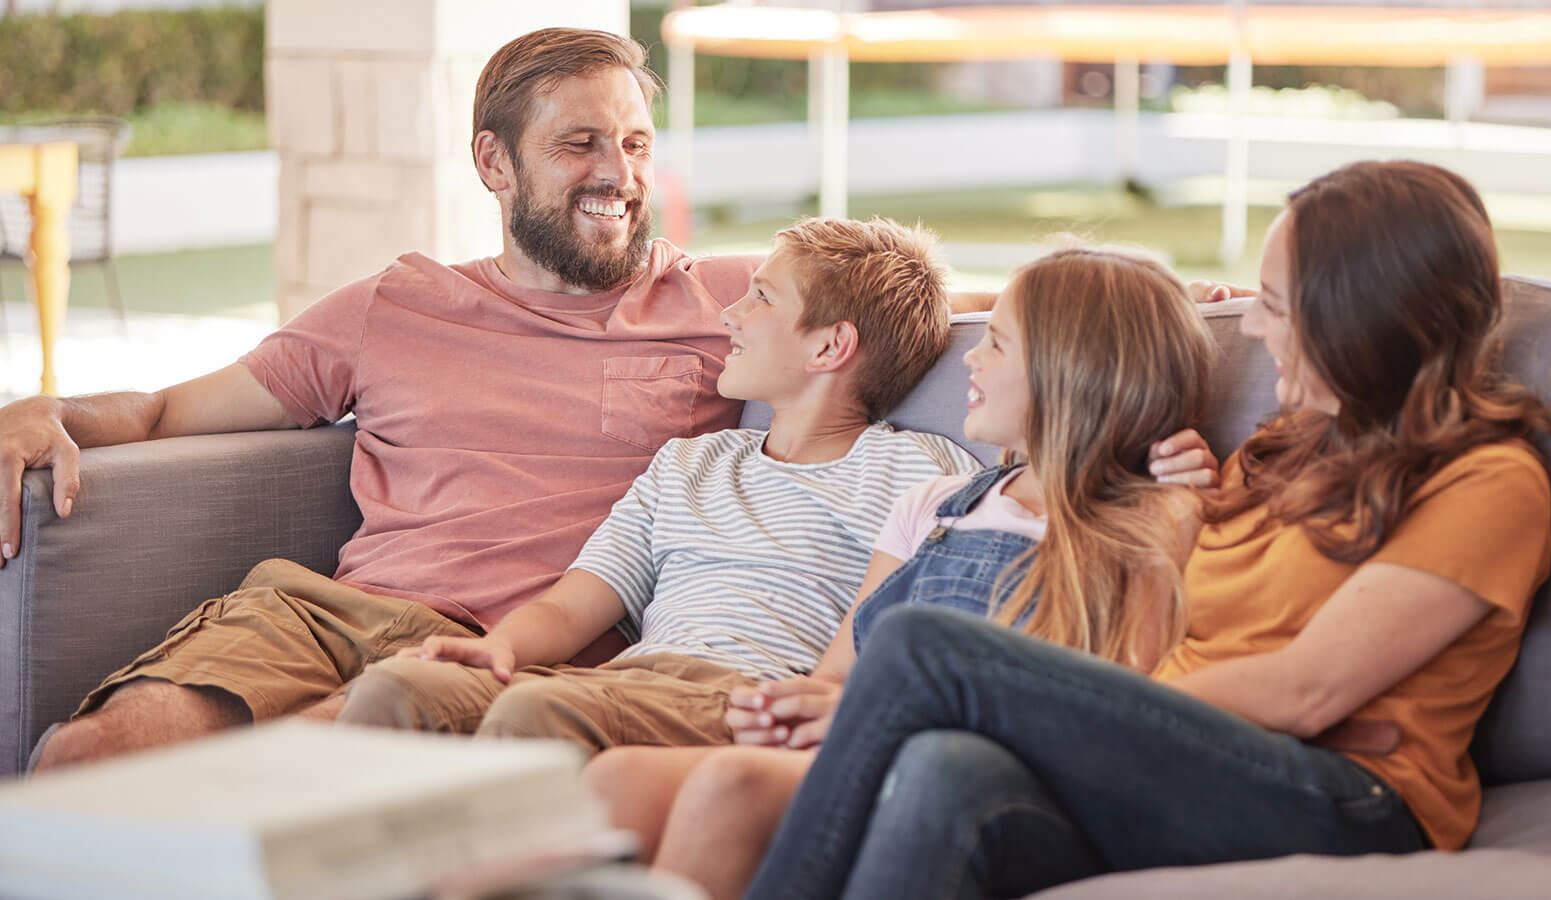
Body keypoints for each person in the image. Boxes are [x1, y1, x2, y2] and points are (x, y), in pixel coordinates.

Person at [738, 160, 1551, 900]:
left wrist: (1050, 707)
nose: (1250, 328)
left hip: (1349, 796)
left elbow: (1304, 692)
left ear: (1356, 315)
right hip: (1191, 760)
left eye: (1275, 305)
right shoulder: (1274, 457)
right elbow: (1166, 612)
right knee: (944, 773)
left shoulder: (1488, 483)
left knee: (926, 649)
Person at [12, 27, 773, 771]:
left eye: (636, 144)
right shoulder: (396, 305)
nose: (619, 174)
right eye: (580, 144)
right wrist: (50, 411)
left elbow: (884, 276)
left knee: (278, 775)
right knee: (87, 760)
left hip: (518, 658)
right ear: (494, 161)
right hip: (327, 619)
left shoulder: (728, 302)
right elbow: (163, 413)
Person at [580, 239, 1221, 899]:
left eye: (996, 343)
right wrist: (790, 709)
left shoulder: (1147, 518)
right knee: (615, 778)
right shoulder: (937, 504)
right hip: (868, 737)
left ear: (1075, 369)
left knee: (730, 786)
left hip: (986, 760)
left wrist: (1179, 496)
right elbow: (837, 674)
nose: (969, 356)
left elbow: (1113, 702)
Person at [331, 216, 982, 749]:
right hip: (626, 682)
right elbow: (569, 607)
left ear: (829, 347)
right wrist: (499, 650)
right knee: (397, 688)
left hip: (744, 699)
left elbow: (926, 621)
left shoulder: (918, 471)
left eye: (762, 297)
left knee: (537, 717)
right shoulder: (690, 464)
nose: (731, 312)